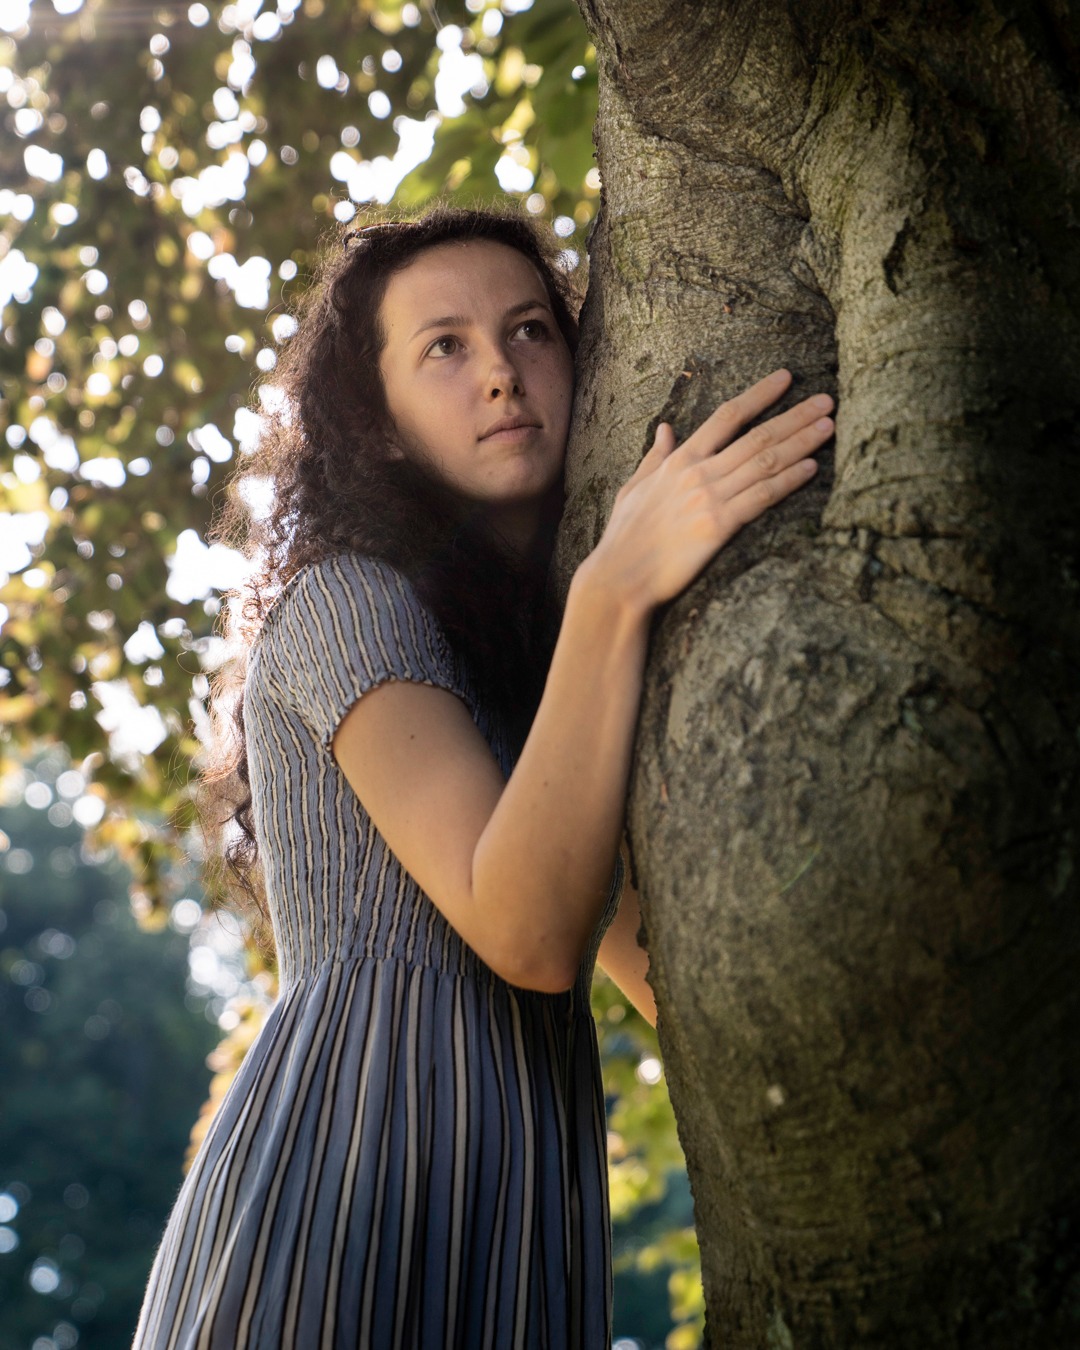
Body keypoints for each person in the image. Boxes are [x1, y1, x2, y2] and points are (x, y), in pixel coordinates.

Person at [132, 205, 833, 1350]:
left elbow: (671, 981)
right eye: (444, 347)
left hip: (519, 1229)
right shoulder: (345, 601)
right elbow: (528, 930)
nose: (501, 373)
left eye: (529, 331)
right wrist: (617, 588)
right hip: (334, 1200)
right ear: (383, 426)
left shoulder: (534, 672)